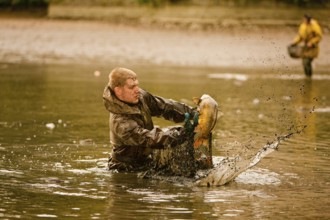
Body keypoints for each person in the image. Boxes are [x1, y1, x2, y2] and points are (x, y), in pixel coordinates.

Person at [103, 67, 197, 172]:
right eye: (132, 87)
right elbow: (149, 138)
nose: (137, 90)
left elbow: (165, 106)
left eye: (137, 85)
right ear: (118, 91)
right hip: (124, 169)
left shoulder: (140, 96)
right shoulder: (120, 122)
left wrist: (192, 113)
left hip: (146, 160)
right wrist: (178, 134)